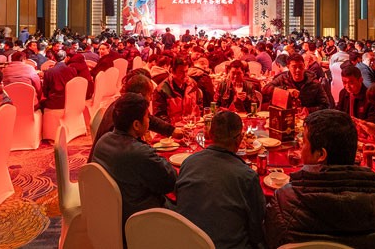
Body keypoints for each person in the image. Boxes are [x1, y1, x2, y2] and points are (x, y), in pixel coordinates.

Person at [266, 109, 375, 249]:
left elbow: (270, 240)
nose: (301, 149)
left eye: (304, 142)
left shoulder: (284, 201)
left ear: (321, 154)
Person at [175, 111, 266, 249]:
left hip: (187, 243)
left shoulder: (188, 163)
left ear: (210, 134)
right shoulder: (247, 176)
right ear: (240, 139)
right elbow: (256, 229)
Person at [92, 92, 177, 225]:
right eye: (147, 117)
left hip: (111, 217)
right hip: (142, 221)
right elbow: (170, 181)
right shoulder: (139, 153)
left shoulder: (102, 142)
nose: (149, 121)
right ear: (136, 125)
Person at [263, 54, 330, 112]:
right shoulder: (283, 78)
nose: (298, 70)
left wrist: (308, 110)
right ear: (288, 67)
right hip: (285, 115)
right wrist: (286, 90)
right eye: (294, 67)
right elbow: (265, 89)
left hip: (307, 118)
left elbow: (325, 105)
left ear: (304, 66)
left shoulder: (313, 82)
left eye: (300, 66)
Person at [153, 57, 203, 122]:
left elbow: (199, 106)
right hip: (172, 126)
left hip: (191, 124)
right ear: (172, 71)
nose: (185, 75)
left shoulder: (192, 84)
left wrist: (195, 118)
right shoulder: (162, 89)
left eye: (186, 71)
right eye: (181, 72)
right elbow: (159, 117)